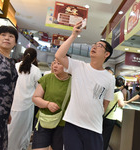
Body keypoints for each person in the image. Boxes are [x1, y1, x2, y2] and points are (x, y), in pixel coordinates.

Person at [55, 21, 115, 150]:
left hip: (94, 127)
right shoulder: (78, 66)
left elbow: (105, 103)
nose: (94, 47)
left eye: (99, 46)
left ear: (106, 54)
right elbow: (59, 55)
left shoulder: (109, 78)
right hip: (73, 123)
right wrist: (73, 36)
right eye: (94, 45)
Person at [31, 58, 71, 150]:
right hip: (44, 120)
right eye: (54, 63)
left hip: (63, 124)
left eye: (59, 63)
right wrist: (47, 104)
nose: (55, 65)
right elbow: (35, 98)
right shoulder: (47, 78)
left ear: (68, 67)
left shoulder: (73, 82)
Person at [8, 48, 42, 150]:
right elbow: (38, 89)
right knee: (23, 130)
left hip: (12, 103)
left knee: (10, 128)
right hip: (27, 105)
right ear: (35, 58)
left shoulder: (15, 66)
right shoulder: (36, 70)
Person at [103, 76, 125, 150]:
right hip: (111, 117)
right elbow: (121, 104)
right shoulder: (119, 93)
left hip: (105, 115)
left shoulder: (109, 90)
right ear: (122, 85)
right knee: (106, 136)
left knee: (103, 134)